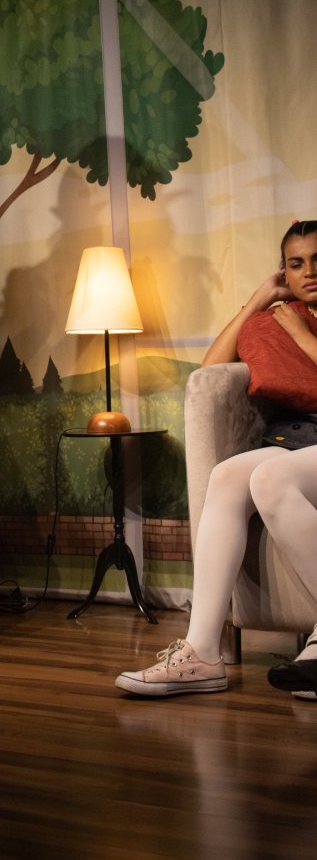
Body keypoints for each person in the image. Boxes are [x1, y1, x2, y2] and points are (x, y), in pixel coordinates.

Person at [116, 219, 317, 698]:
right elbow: (211, 368)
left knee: (269, 478)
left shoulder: (295, 324)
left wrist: (300, 334)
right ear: (283, 271)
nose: (309, 272)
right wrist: (257, 301)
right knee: (226, 476)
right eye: (296, 264)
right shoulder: (280, 316)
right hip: (300, 441)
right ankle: (203, 652)